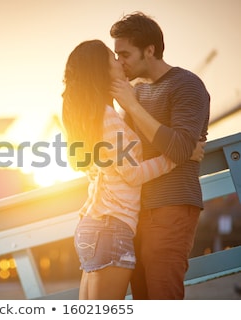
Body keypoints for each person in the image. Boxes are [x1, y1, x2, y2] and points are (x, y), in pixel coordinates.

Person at [62, 39, 180, 300]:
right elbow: (133, 174)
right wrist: (176, 157)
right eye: (112, 58)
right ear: (101, 71)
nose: (119, 61)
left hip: (95, 225)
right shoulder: (107, 118)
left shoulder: (93, 117)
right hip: (111, 227)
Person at [110, 12, 210, 299]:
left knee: (163, 296)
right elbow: (124, 154)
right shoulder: (136, 92)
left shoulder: (187, 85)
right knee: (142, 299)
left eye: (124, 54)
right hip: (135, 211)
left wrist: (130, 104)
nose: (119, 62)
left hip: (172, 206)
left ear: (149, 50)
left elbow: (178, 148)